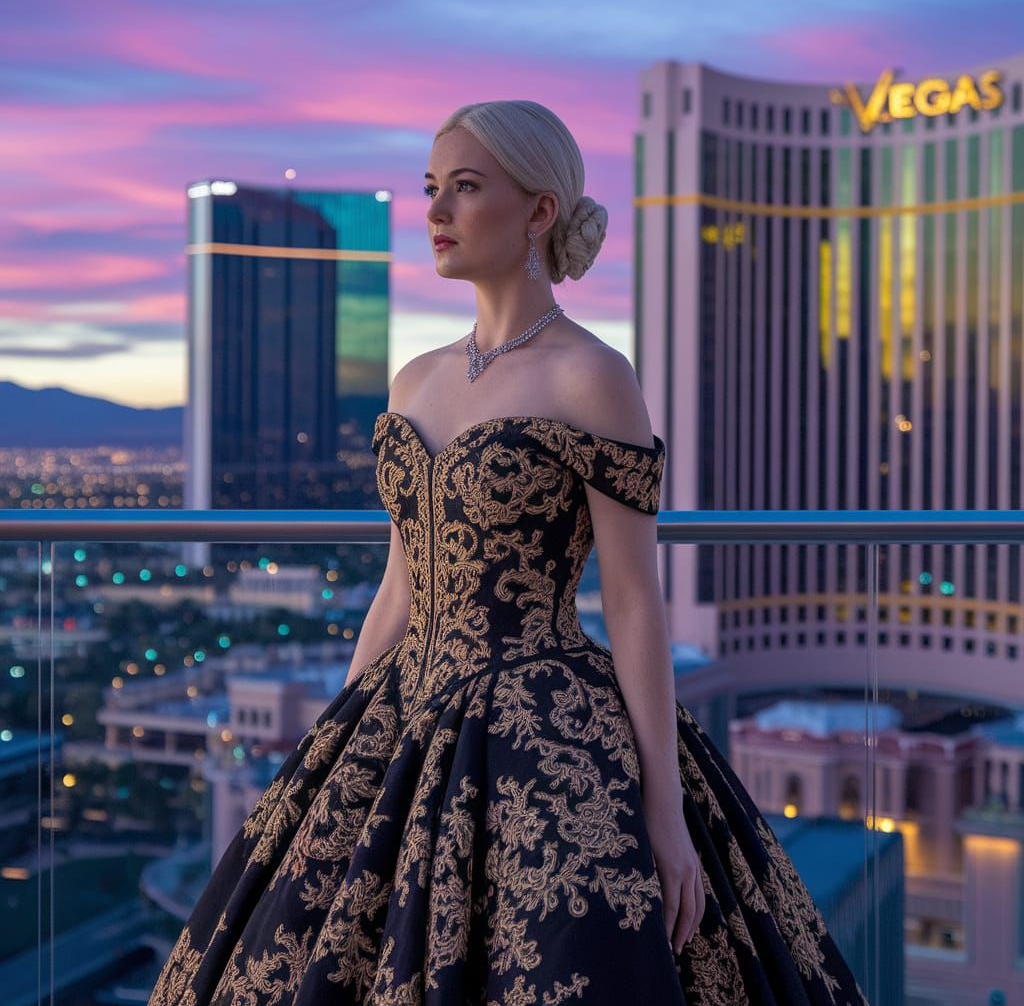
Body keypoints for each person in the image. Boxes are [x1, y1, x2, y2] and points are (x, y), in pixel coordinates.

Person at [148, 100, 869, 1005]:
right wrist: (330, 752)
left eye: (466, 187)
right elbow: (399, 589)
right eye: (429, 189)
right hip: (400, 704)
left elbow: (637, 601)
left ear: (539, 211)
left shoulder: (593, 374)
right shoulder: (415, 378)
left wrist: (664, 809)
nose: (437, 212)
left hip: (550, 721)